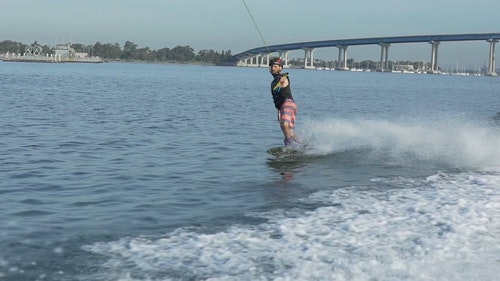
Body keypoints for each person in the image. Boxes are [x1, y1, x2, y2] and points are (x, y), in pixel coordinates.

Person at [269, 57, 301, 149]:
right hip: (283, 106)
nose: (272, 68)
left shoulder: (283, 77)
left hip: (287, 104)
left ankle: (289, 145)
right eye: (271, 67)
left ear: (280, 68)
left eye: (275, 66)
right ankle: (305, 144)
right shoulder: (273, 81)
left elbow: (284, 79)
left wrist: (282, 79)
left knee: (284, 124)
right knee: (290, 132)